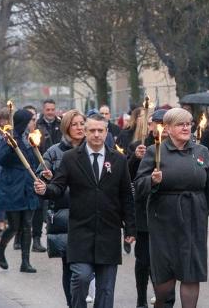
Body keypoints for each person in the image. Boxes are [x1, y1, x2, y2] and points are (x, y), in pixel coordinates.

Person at [35, 113, 136, 308]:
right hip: (81, 231)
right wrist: (45, 189)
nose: (96, 134)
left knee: (106, 290)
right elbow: (58, 187)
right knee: (80, 278)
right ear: (86, 132)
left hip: (109, 231)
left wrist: (130, 228)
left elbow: (126, 196)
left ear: (107, 132)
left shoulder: (118, 159)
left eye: (100, 130)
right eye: (92, 130)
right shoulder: (71, 158)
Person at [135, 107, 209, 308]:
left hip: (194, 217)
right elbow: (139, 186)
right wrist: (151, 179)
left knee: (191, 271)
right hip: (163, 220)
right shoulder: (155, 152)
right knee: (165, 281)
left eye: (188, 123)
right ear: (167, 128)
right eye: (180, 124)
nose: (186, 127)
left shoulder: (200, 151)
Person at [127, 108, 176, 308]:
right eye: (157, 123)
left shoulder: (177, 145)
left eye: (164, 124)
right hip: (144, 212)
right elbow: (128, 179)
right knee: (144, 259)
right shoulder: (139, 146)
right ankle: (141, 298)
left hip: (168, 213)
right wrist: (134, 159)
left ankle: (163, 296)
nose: (160, 128)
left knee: (165, 260)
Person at [40, 109, 86, 307]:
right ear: (66, 127)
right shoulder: (53, 152)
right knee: (69, 266)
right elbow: (40, 179)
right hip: (64, 215)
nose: (79, 128)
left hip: (90, 213)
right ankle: (73, 303)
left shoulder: (94, 148)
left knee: (89, 266)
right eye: (74, 124)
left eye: (81, 124)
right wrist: (46, 177)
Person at [0, 109, 41, 273]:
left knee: (27, 225)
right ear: (24, 123)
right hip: (13, 187)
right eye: (31, 120)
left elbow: (33, 162)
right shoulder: (10, 138)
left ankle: (25, 262)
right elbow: (1, 160)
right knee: (14, 226)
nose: (33, 123)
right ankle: (0, 249)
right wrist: (12, 148)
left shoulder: (30, 139)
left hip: (28, 187)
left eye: (34, 120)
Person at [33, 98, 61, 253]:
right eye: (48, 109)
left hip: (58, 170)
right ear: (43, 110)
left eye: (52, 109)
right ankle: (36, 239)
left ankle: (53, 239)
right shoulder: (37, 126)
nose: (50, 112)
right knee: (39, 207)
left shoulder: (61, 125)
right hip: (42, 168)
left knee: (55, 208)